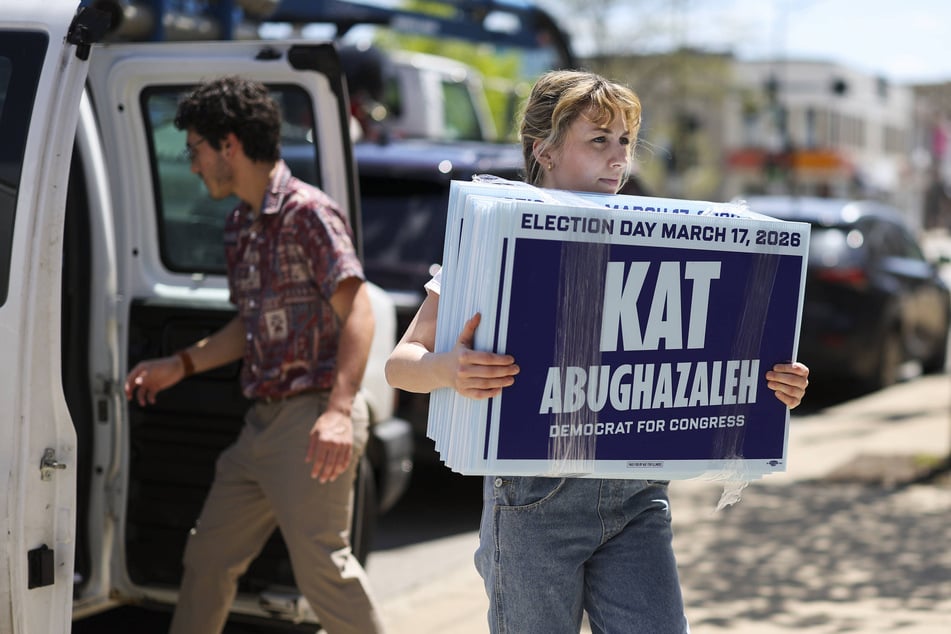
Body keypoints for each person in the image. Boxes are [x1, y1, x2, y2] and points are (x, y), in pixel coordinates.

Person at [384, 69, 810, 634]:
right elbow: (399, 364)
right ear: (546, 151)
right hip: (533, 505)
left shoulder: (659, 236)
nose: (617, 158)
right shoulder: (494, 237)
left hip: (639, 499)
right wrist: (447, 368)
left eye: (625, 142)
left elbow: (710, 355)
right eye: (598, 140)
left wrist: (776, 384)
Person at [123, 76, 385, 634]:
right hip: (261, 425)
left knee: (324, 574)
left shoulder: (307, 212)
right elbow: (253, 324)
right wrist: (180, 365)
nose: (192, 165)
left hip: (312, 419)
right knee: (208, 559)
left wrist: (338, 412)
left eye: (195, 149)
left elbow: (359, 311)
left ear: (229, 145)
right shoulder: (241, 225)